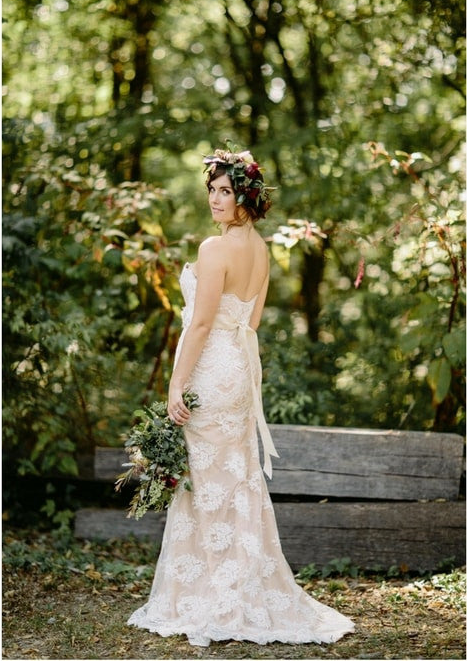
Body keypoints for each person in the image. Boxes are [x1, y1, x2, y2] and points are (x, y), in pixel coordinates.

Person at [127, 150, 354, 647]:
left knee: (206, 483)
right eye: (211, 189)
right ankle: (241, 585)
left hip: (210, 368)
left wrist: (174, 383)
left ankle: (212, 594)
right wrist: (238, 372)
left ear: (245, 196)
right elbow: (249, 324)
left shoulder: (215, 249)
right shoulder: (262, 251)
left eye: (224, 190)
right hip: (240, 370)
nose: (214, 198)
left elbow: (203, 323)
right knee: (235, 480)